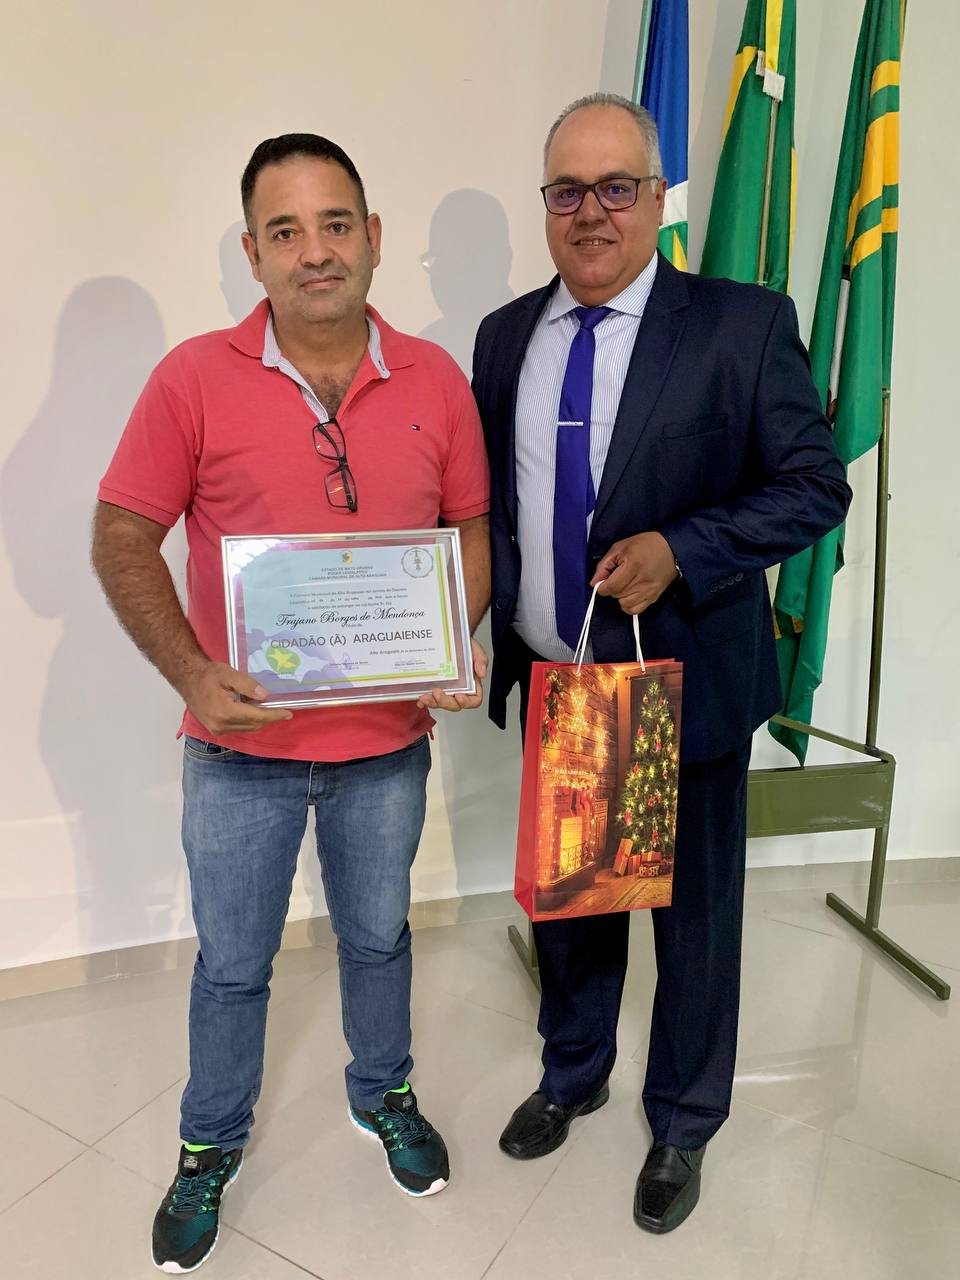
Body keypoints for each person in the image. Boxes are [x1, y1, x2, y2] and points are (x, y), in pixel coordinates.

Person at [92, 133, 490, 1274]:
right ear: (253, 254)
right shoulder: (191, 378)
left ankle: (383, 1093)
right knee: (232, 964)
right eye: (286, 230)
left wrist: (453, 635)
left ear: (373, 238)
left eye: (335, 224)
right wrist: (190, 672)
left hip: (386, 747)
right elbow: (122, 533)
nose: (315, 251)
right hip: (239, 753)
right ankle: (208, 1142)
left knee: (379, 938)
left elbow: (470, 527)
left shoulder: (437, 379)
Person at [472, 94, 851, 1235]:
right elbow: (492, 508)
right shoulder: (504, 337)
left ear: (654, 196)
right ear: (546, 204)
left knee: (692, 924)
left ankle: (684, 1119)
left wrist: (684, 548)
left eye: (615, 187)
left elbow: (814, 487)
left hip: (681, 683)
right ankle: (574, 1072)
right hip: (567, 682)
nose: (590, 212)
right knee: (575, 911)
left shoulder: (740, 325)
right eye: (566, 191)